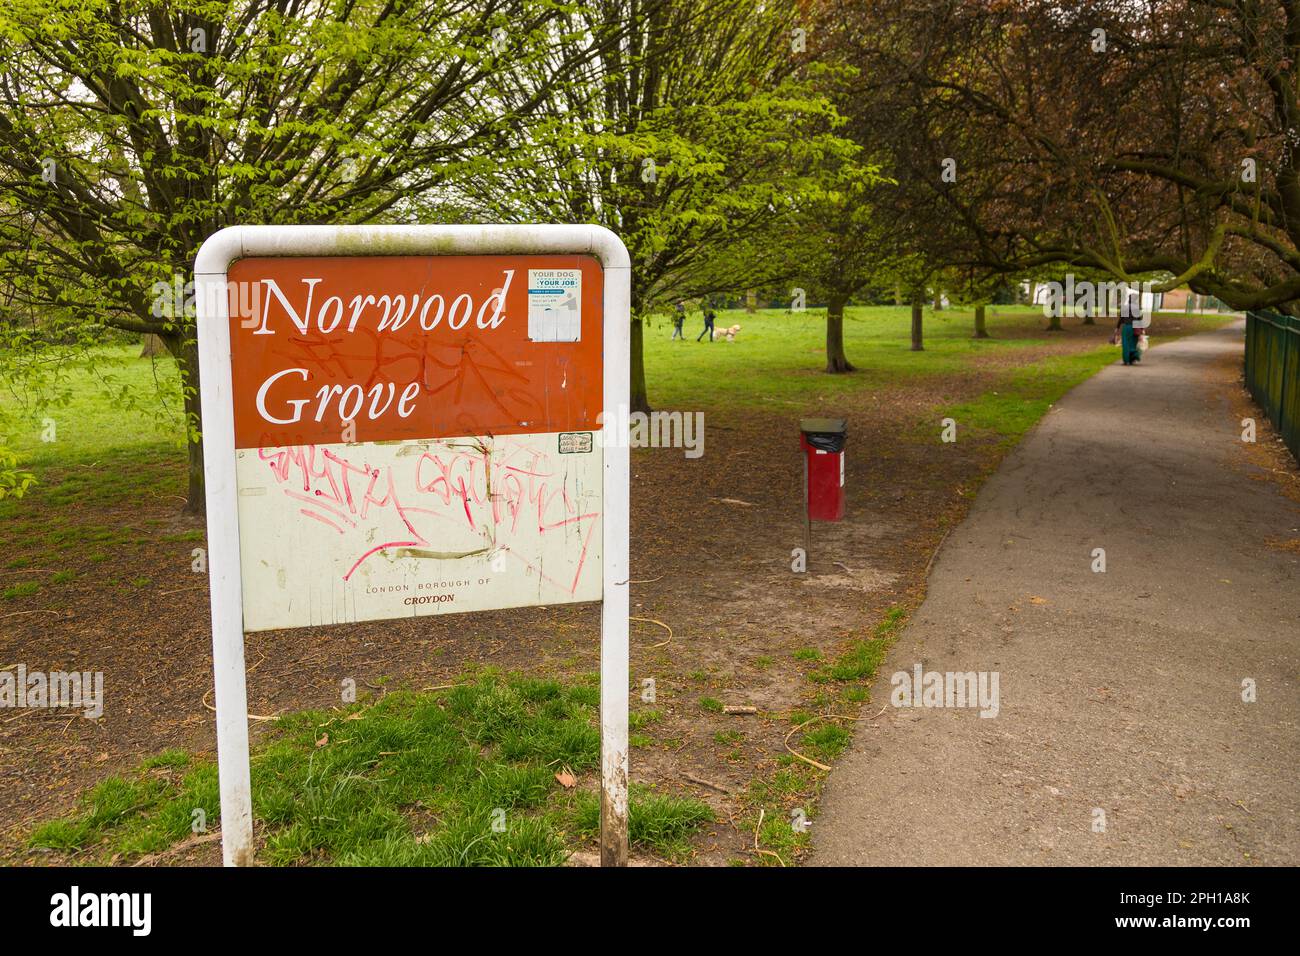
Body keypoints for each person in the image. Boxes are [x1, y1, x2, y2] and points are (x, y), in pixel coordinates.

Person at [1114, 294, 1143, 365]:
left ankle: (1126, 360)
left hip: (1126, 327)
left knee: (1126, 344)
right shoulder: (1137, 308)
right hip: (1135, 328)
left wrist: (1117, 327)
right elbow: (1139, 319)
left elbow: (1121, 319)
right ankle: (1132, 359)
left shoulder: (1124, 308)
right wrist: (1142, 329)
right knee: (1133, 343)